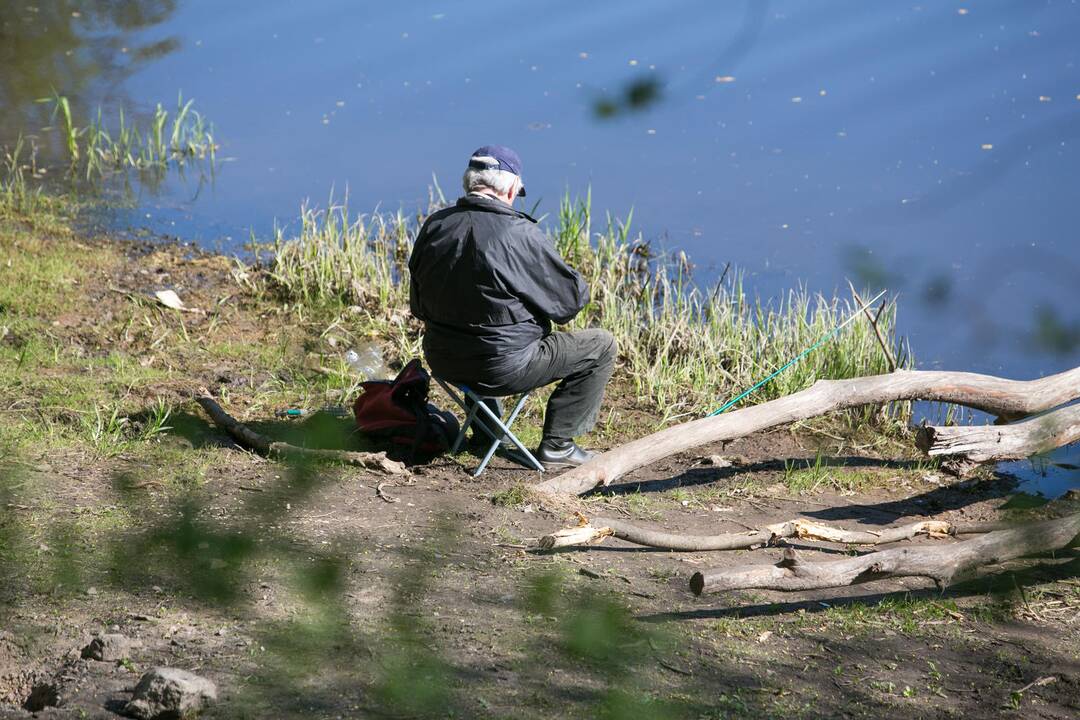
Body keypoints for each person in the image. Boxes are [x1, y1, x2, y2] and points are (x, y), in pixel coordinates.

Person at [408, 145, 615, 469]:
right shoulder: (520, 235)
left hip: (443, 358)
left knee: (476, 334)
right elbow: (569, 305)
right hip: (502, 369)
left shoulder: (435, 226)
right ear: (508, 188)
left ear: (471, 183)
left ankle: (487, 434)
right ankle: (558, 446)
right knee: (602, 345)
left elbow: (418, 307)